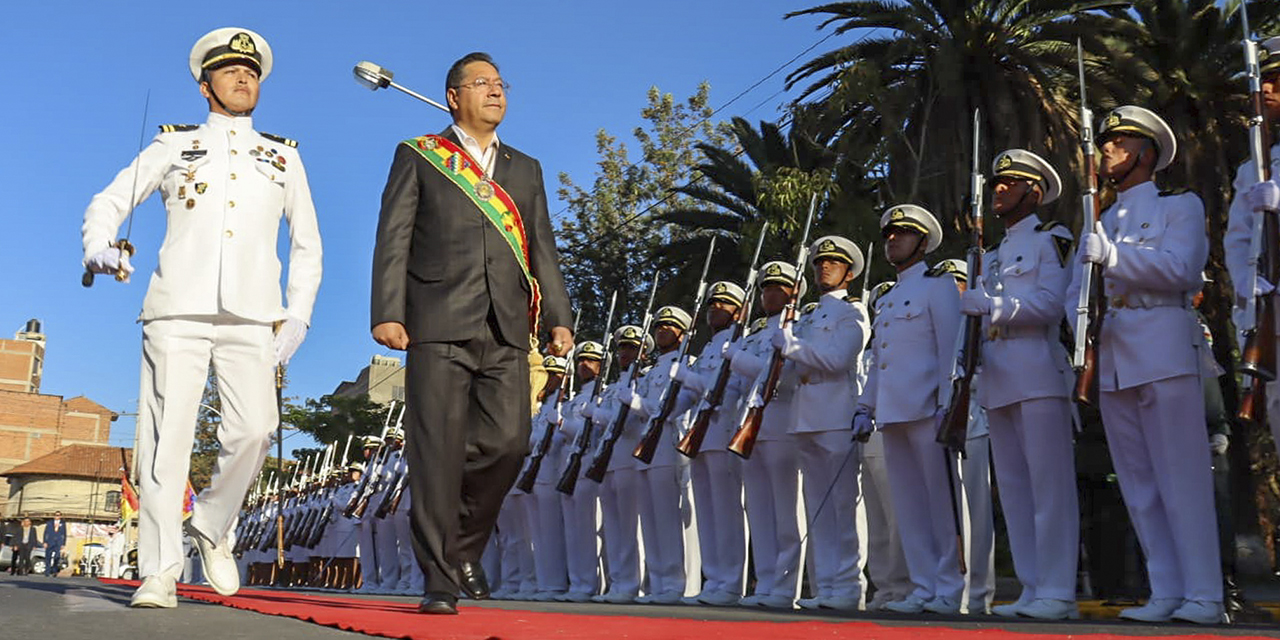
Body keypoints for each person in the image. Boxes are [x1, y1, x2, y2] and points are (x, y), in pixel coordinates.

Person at [81, 28, 322, 609]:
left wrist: (298, 318)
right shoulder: (173, 146)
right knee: (166, 442)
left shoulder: (283, 156)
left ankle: (212, 523)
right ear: (205, 83)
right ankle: (160, 571)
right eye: (232, 71)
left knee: (257, 429)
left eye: (252, 72)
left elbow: (308, 245)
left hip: (252, 315)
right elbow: (109, 201)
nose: (245, 79)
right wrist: (100, 246)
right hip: (177, 309)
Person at [369, 51, 573, 615]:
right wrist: (388, 311)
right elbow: (394, 238)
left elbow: (542, 249)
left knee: (510, 443)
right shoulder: (420, 156)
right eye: (482, 83)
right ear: (454, 96)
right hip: (436, 322)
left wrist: (559, 315)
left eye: (501, 83)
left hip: (507, 326)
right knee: (436, 453)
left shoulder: (525, 169)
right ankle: (439, 580)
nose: (496, 92)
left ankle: (460, 545)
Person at [1064, 106, 1222, 624]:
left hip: (1163, 347)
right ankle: (1167, 589)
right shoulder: (1101, 220)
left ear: (1146, 154)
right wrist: (1083, 328)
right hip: (1111, 355)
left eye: (1119, 142)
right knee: (1138, 483)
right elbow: (1075, 294)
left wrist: (1114, 258)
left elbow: (1183, 269)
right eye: (1105, 142)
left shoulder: (1180, 206)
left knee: (1183, 476)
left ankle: (1204, 594)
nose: (1107, 149)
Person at [960, 149, 1079, 620]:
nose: (999, 190)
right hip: (998, 375)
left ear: (1034, 191)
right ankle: (1032, 588)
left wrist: (992, 306)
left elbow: (1051, 305)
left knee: (1050, 487)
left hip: (1037, 370)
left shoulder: (1054, 237)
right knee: (1013, 488)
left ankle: (1058, 590)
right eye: (996, 184)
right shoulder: (988, 255)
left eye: (1010, 184)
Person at [854, 204, 963, 615]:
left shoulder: (938, 287)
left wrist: (946, 405)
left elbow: (949, 350)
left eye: (902, 234)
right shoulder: (889, 298)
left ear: (922, 242)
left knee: (939, 501)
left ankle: (949, 587)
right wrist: (866, 406)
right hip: (893, 412)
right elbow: (882, 360)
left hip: (927, 409)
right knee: (910, 507)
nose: (893, 240)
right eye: (889, 235)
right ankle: (923, 586)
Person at [773, 236, 870, 611]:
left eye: (832, 262)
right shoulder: (808, 317)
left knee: (842, 507)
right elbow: (791, 372)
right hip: (805, 415)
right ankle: (826, 587)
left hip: (834, 415)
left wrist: (792, 346)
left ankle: (847, 587)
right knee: (818, 509)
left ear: (849, 272)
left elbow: (837, 359)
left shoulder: (853, 313)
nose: (824, 267)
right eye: (819, 262)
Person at [731, 262, 806, 610]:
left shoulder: (801, 326)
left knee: (786, 511)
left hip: (781, 423)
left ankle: (785, 585)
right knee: (759, 510)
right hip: (753, 427)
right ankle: (765, 581)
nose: (770, 293)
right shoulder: (757, 335)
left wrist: (738, 359)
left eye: (779, 287)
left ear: (795, 292)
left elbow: (787, 376)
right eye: (766, 288)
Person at [671, 282, 749, 606]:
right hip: (700, 438)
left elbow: (740, 386)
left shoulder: (741, 343)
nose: (716, 308)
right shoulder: (706, 350)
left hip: (722, 432)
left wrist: (694, 381)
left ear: (739, 312)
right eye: (712, 304)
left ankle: (731, 583)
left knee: (726, 510)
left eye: (724, 304)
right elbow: (691, 397)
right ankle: (713, 580)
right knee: (707, 512)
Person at [43, 512, 67, 577]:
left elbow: (64, 534)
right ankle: (47, 571)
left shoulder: (63, 523)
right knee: (48, 557)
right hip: (50, 542)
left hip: (58, 543)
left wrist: (63, 544)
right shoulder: (49, 523)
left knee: (57, 557)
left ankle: (54, 571)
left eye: (58, 515)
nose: (57, 516)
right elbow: (45, 533)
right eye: (56, 515)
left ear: (60, 516)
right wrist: (45, 542)